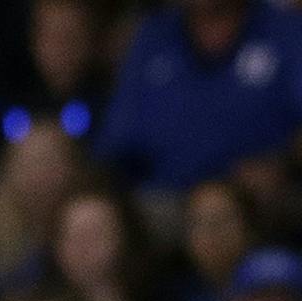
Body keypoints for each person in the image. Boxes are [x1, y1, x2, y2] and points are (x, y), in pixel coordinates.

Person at [99, 0, 302, 196]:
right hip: (164, 203)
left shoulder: (288, 31)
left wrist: (282, 163)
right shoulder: (152, 36)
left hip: (260, 204)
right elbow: (117, 143)